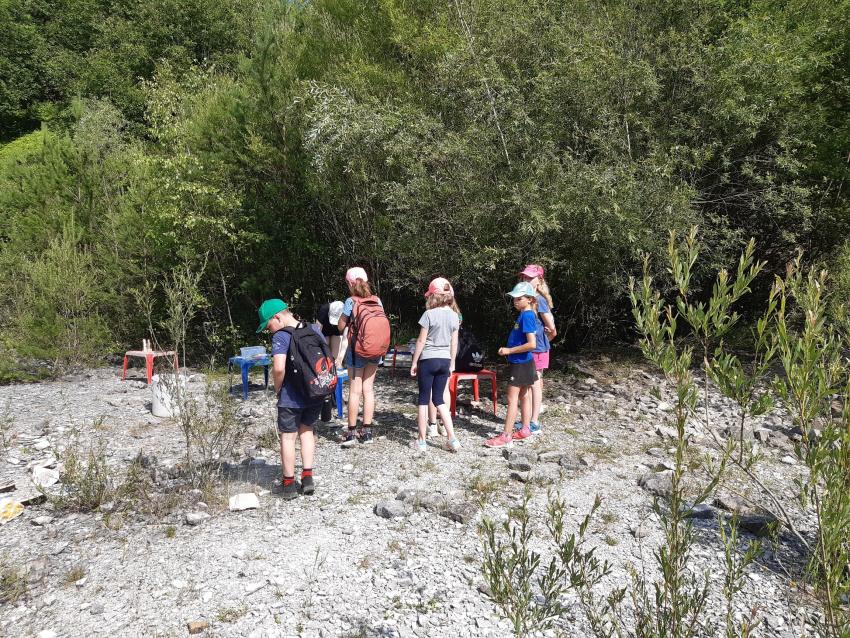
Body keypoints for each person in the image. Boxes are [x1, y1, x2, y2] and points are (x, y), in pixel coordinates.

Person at [257, 298, 320, 500]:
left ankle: (289, 483)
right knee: (307, 432)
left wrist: (278, 388)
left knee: (288, 436)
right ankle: (308, 478)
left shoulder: (281, 336)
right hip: (313, 392)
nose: (269, 331)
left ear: (277, 317)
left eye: (268, 326)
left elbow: (278, 368)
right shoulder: (312, 329)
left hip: (291, 397)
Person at [410, 277, 462, 453]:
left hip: (428, 360)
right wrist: (452, 363)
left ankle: (422, 441)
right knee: (439, 400)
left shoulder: (428, 315)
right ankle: (452, 439)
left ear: (433, 296)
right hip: (445, 361)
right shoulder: (455, 316)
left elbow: (421, 340)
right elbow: (454, 343)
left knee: (423, 400)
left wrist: (414, 361)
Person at [336, 267, 386, 446]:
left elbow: (341, 326)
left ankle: (351, 432)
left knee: (355, 390)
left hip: (357, 350)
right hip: (376, 349)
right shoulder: (377, 300)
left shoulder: (351, 301)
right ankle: (367, 432)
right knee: (369, 389)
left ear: (350, 283)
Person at [485, 282, 537, 448]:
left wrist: (509, 351)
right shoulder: (524, 313)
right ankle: (525, 429)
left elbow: (532, 344)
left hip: (521, 362)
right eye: (514, 298)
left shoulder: (528, 316)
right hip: (524, 362)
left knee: (512, 398)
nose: (515, 301)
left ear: (529, 299)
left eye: (519, 298)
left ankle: (506, 435)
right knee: (524, 395)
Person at [515, 264, 556, 435]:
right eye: (525, 277)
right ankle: (529, 420)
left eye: (530, 277)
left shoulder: (538, 299)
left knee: (535, 384)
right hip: (533, 347)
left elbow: (552, 328)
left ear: (539, 280)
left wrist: (547, 339)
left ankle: (534, 422)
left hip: (538, 348)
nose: (526, 280)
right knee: (530, 382)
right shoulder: (529, 298)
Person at [428, 297, 462, 437]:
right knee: (445, 389)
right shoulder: (457, 315)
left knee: (431, 390)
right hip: (449, 353)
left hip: (434, 353)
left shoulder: (432, 313)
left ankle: (432, 424)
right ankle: (443, 422)